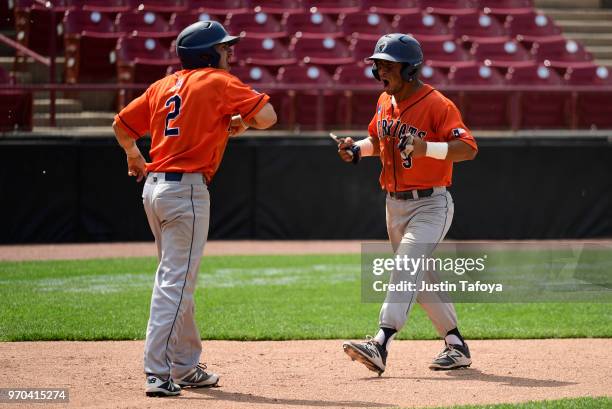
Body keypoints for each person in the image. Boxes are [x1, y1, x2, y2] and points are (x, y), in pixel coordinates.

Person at [112, 21, 277, 397]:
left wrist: (134, 156)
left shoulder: (163, 85)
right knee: (176, 284)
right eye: (224, 48)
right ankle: (157, 372)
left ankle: (185, 367)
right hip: (185, 192)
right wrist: (243, 121)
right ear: (208, 54)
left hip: (154, 190)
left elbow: (121, 126)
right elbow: (268, 117)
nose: (230, 53)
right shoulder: (218, 82)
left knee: (176, 278)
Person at [337, 34, 478, 375]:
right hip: (394, 205)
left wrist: (427, 148)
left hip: (431, 203)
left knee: (406, 266)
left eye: (388, 65)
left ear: (411, 69)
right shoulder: (385, 101)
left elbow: (469, 148)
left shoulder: (438, 104)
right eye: (378, 65)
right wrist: (356, 148)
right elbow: (377, 139)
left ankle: (381, 342)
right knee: (419, 276)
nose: (380, 71)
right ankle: (456, 344)